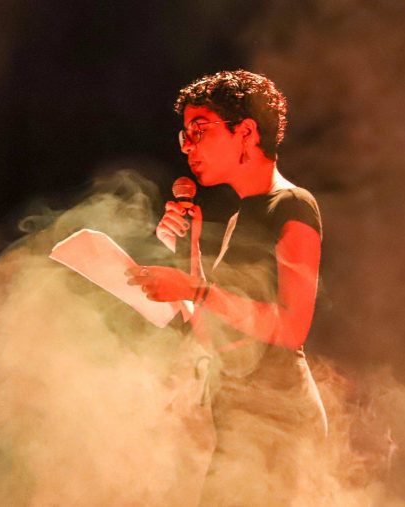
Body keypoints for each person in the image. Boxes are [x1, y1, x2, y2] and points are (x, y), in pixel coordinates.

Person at [127, 70, 326, 506]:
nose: (188, 147)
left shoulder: (293, 205)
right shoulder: (240, 217)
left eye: (200, 131)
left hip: (279, 421)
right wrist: (189, 250)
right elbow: (214, 333)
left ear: (247, 133)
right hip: (242, 421)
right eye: (185, 136)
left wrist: (195, 289)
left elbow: (293, 327)